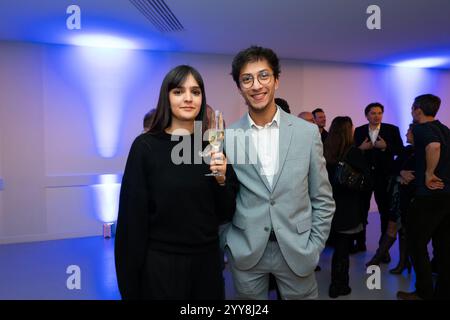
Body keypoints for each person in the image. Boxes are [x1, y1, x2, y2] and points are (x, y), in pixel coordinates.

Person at [115, 65, 239, 300]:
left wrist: (222, 180)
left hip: (207, 265)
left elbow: (226, 211)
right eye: (179, 91)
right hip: (162, 265)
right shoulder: (146, 147)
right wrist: (130, 285)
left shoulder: (211, 148)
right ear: (167, 97)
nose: (188, 98)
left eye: (196, 91)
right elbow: (131, 223)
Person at [222, 45, 335, 300]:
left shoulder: (307, 133)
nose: (256, 85)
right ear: (239, 87)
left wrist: (314, 246)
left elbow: (323, 198)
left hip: (297, 249)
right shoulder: (229, 137)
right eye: (246, 79)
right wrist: (227, 243)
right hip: (247, 249)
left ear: (276, 80)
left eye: (264, 75)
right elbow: (222, 196)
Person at [398, 94, 450, 300]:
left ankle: (424, 293)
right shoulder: (445, 129)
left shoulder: (420, 128)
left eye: (412, 108)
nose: (412, 112)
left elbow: (433, 146)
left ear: (418, 109)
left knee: (416, 244)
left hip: (428, 197)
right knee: (444, 247)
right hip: (446, 196)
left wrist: (429, 173)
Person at [324, 116, 370, 298]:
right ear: (348, 131)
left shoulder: (324, 151)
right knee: (342, 250)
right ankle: (339, 285)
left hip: (327, 206)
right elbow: (367, 183)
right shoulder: (353, 153)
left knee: (331, 247)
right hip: (347, 207)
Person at [353, 103, 403, 260]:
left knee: (384, 212)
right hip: (364, 177)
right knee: (361, 210)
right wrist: (361, 149)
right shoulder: (360, 130)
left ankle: (383, 249)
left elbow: (400, 150)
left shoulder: (392, 129)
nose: (377, 116)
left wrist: (386, 146)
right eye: (373, 113)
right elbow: (353, 152)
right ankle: (360, 243)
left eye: (380, 113)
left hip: (384, 177)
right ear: (366, 115)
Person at [365, 123, 416, 274]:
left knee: (403, 230)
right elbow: (392, 166)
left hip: (410, 197)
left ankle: (398, 261)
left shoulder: (422, 152)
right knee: (394, 228)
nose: (406, 134)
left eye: (409, 131)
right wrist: (401, 172)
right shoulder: (407, 150)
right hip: (398, 195)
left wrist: (406, 174)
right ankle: (394, 261)